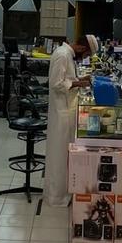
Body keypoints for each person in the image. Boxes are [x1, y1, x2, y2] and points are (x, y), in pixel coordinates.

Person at [43, 34, 99, 207]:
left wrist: (79, 80)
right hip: (62, 111)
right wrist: (80, 84)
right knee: (59, 156)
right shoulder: (62, 55)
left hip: (67, 109)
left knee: (64, 155)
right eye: (87, 55)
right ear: (82, 48)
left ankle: (63, 193)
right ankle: (56, 197)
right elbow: (56, 83)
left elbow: (66, 79)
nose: (85, 58)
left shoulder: (67, 54)